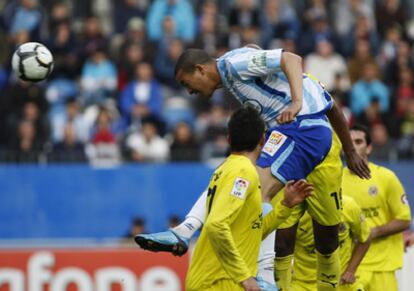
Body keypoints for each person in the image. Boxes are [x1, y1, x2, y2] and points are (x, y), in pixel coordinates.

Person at [136, 46, 370, 290]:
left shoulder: (233, 66)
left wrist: (297, 103)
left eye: (187, 83)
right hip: (292, 132)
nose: (190, 91)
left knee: (260, 192)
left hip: (303, 130)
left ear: (200, 69)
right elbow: (257, 53)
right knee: (238, 178)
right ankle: (186, 229)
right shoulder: (237, 67)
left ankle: (261, 275)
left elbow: (291, 58)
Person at [144, 106, 312, 290]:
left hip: (219, 281)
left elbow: (252, 232)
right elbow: (216, 225)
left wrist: (285, 206)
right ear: (263, 141)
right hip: (218, 283)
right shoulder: (243, 171)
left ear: (229, 139)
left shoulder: (228, 169)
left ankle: (186, 229)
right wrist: (245, 277)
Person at [342, 124, 412, 291]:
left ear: (369, 147)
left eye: (358, 142)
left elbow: (404, 220)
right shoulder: (335, 180)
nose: (353, 147)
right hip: (348, 267)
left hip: (382, 266)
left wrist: (371, 232)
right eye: (349, 143)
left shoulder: (386, 177)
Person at [288, 194, 372, 291]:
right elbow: (282, 245)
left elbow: (365, 238)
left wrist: (350, 270)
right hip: (303, 285)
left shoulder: (348, 206)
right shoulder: (296, 212)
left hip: (342, 283)